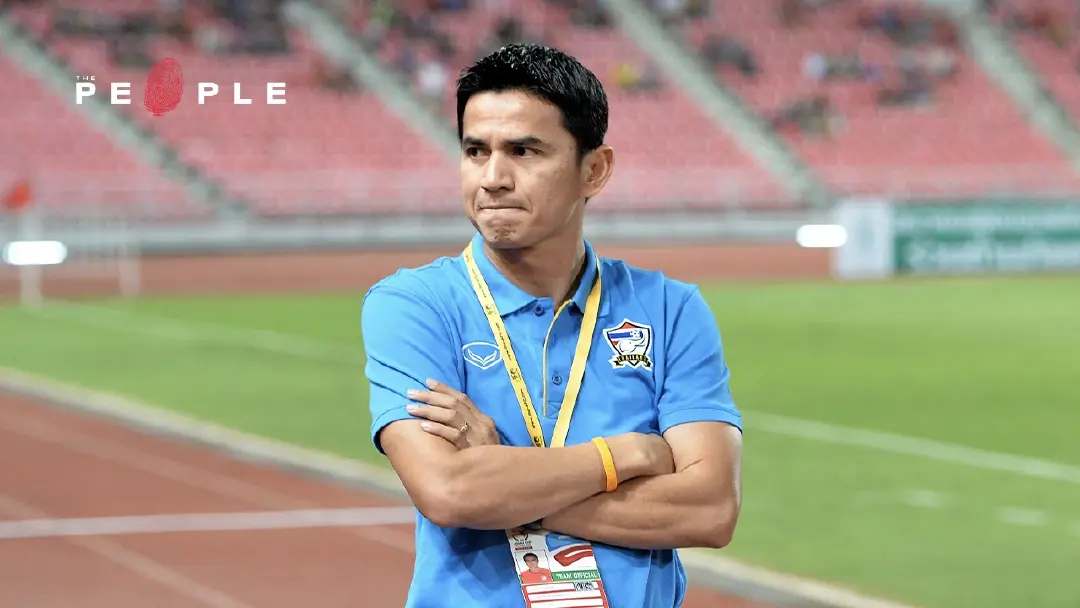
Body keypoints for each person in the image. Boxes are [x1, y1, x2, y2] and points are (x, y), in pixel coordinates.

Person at [360, 43, 743, 608]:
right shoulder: (413, 305)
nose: (493, 177)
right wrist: (625, 456)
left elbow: (710, 510)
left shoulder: (670, 309)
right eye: (475, 151)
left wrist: (507, 480)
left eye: (524, 151)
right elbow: (449, 491)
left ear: (595, 170)